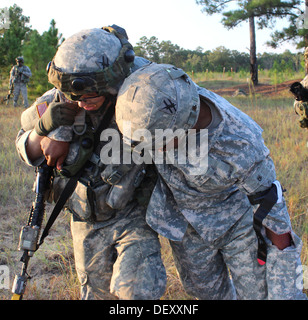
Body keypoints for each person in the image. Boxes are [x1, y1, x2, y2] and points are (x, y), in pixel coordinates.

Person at [115, 63, 307, 300]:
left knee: (258, 294)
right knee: (203, 292)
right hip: (186, 225)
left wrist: (286, 292)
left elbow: (276, 222)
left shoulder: (241, 144)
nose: (152, 149)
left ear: (185, 126)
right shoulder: (158, 85)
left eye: (157, 143)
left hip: (237, 223)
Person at [15, 27, 166, 300]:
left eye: (91, 94)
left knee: (136, 292)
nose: (82, 101)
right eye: (76, 96)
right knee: (94, 294)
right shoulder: (60, 98)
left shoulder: (140, 98)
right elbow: (25, 146)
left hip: (132, 215)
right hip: (85, 220)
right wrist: (44, 128)